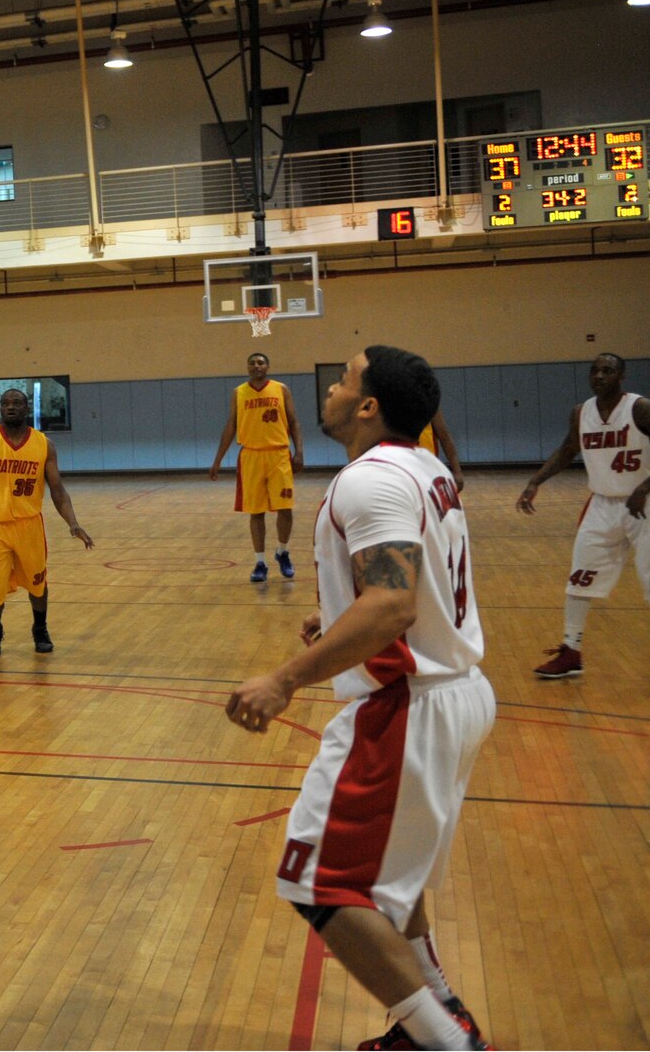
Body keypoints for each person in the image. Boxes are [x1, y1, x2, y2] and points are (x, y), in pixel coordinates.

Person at [227, 346, 494, 1052]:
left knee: (317, 883)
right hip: (455, 691)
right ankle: (441, 1014)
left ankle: (445, 1041)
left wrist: (285, 677)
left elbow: (394, 603)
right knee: (391, 885)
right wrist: (340, 609)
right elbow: (417, 582)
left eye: (345, 378)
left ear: (369, 405)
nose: (335, 388)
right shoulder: (425, 466)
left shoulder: (367, 480)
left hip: (407, 704)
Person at [517, 352, 649, 680]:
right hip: (602, 505)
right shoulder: (581, 413)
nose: (599, 376)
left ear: (622, 376)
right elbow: (566, 450)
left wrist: (644, 487)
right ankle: (571, 651)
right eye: (595, 371)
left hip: (644, 503)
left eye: (608, 370)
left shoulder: (639, 408)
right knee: (580, 578)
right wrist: (536, 481)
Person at [0, 388, 94, 655]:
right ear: (0, 408)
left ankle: (40, 628)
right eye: (5, 403)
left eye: (17, 403)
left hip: (29, 525)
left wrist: (73, 523)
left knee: (37, 583)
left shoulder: (43, 444)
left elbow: (57, 489)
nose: (10, 407)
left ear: (27, 408)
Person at [208, 351, 305, 583]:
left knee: (285, 508)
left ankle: (282, 551)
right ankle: (260, 562)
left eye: (260, 362)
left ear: (268, 367)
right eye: (251, 363)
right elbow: (230, 426)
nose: (256, 366)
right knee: (256, 512)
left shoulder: (281, 389)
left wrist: (299, 451)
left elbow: (293, 421)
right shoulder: (239, 393)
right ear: (247, 368)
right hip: (251, 456)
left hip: (279, 454)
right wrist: (218, 460)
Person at [420, 410, 465, 491]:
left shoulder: (430, 404)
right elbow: (444, 436)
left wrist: (457, 471)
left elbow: (444, 436)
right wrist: (457, 471)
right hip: (425, 470)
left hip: (425, 471)